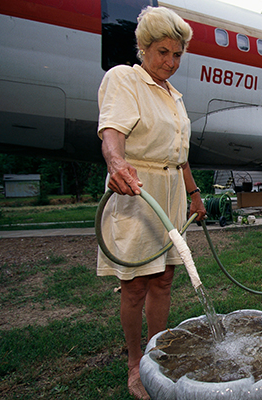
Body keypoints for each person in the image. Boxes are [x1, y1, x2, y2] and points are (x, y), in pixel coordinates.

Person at [96, 6, 206, 400]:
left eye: (177, 55)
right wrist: (116, 161)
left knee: (163, 277)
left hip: (172, 189)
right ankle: (134, 362)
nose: (171, 62)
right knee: (135, 286)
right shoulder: (125, 79)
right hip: (135, 190)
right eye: (163, 52)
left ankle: (156, 355)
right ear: (144, 47)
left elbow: (179, 152)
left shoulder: (174, 95)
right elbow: (112, 129)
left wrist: (194, 193)